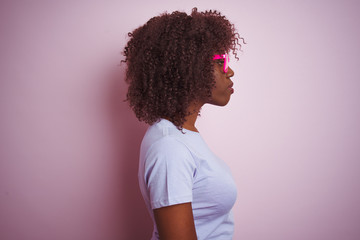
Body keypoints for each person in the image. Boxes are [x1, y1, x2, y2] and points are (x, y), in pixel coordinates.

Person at [122, 7, 245, 240]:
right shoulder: (170, 147)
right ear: (187, 67)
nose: (230, 71)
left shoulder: (181, 135)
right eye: (220, 61)